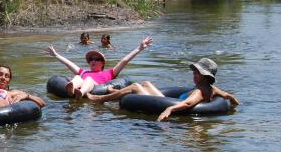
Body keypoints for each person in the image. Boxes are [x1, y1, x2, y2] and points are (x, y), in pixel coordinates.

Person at [87, 57, 240, 120]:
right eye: (194, 72)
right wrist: (235, 103)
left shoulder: (200, 91)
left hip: (165, 103)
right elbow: (227, 95)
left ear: (205, 76)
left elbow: (188, 104)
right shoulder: (212, 89)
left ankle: (99, 99)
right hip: (166, 99)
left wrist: (169, 110)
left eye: (196, 73)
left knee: (135, 86)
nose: (193, 75)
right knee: (145, 84)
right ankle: (115, 93)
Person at [45, 36, 153, 99]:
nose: (93, 61)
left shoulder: (109, 73)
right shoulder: (83, 71)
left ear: (102, 63)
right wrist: (56, 55)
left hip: (95, 87)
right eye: (91, 59)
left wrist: (139, 48)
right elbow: (68, 63)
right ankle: (71, 90)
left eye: (97, 59)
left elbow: (124, 61)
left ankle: (80, 93)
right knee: (77, 78)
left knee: (88, 79)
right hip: (82, 83)